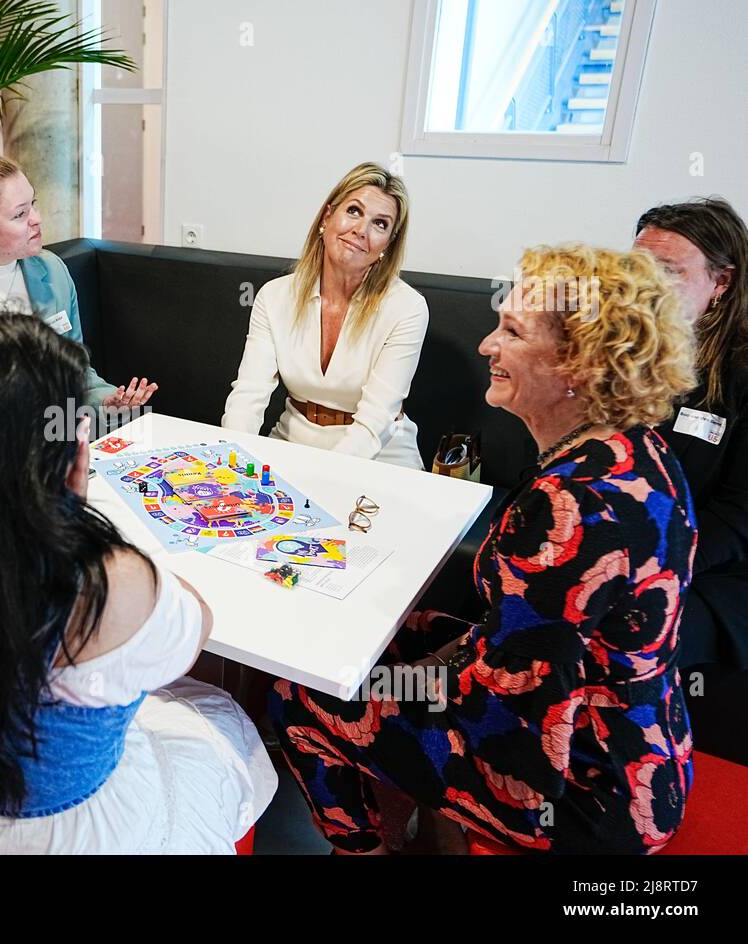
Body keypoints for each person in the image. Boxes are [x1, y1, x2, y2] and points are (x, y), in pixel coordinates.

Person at [270, 245, 699, 854]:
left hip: (583, 788)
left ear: (575, 364)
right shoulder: (643, 448)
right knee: (396, 632)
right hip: (644, 738)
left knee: (302, 695)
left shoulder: (568, 507)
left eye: (513, 332)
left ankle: (362, 848)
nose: (485, 346)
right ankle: (434, 826)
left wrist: (394, 684)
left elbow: (503, 700)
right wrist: (402, 667)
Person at [0, 312, 276, 853]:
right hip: (65, 830)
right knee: (218, 716)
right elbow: (191, 635)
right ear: (74, 459)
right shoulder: (108, 580)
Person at [0, 154, 156, 423]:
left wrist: (108, 401)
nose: (37, 219)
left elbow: (76, 372)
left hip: (58, 438)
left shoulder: (52, 271)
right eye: (20, 214)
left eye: (33, 204)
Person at [222, 162, 428, 469]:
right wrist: (231, 463)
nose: (361, 230)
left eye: (380, 224)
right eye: (354, 211)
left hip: (381, 454)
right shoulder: (273, 296)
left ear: (387, 245)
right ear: (327, 217)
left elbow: (375, 422)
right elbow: (248, 396)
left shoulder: (407, 308)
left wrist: (322, 480)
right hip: (293, 442)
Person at [634, 198, 748, 670]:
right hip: (619, 549)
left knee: (614, 627)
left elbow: (737, 519)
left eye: (668, 272)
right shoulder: (621, 351)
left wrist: (650, 566)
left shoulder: (739, 376)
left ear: (721, 281)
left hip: (710, 574)